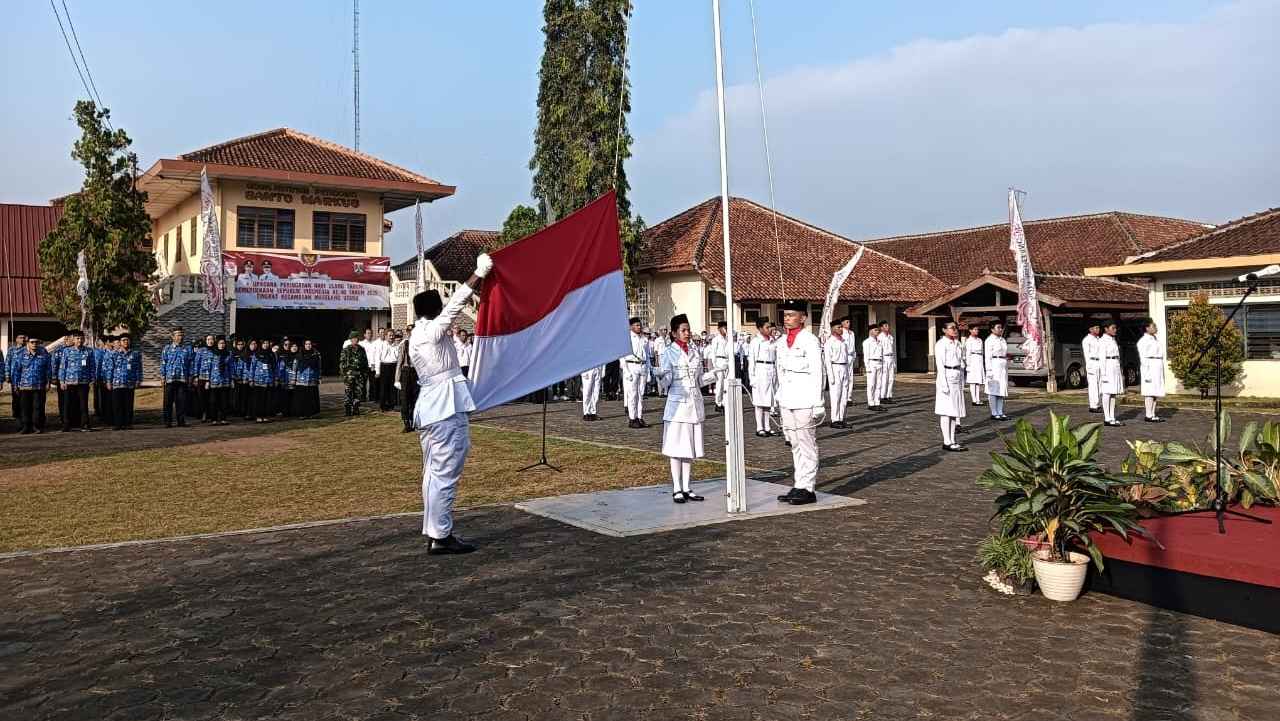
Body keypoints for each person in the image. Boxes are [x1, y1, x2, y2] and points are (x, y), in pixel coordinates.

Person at [409, 253, 492, 555]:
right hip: (444, 407)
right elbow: (454, 307)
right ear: (434, 311)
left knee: (433, 473)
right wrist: (477, 274)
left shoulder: (418, 334)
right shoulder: (430, 332)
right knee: (444, 473)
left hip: (435, 406)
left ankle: (435, 531)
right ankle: (441, 536)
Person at [654, 314, 720, 504]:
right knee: (676, 448)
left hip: (693, 404)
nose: (687, 333)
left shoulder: (695, 351)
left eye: (688, 329)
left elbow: (699, 381)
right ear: (674, 333)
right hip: (677, 405)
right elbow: (667, 383)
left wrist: (716, 374)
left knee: (689, 448)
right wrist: (661, 375)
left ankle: (687, 487)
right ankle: (676, 487)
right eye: (683, 330)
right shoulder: (669, 352)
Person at [775, 301, 825, 505]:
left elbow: (817, 371)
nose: (787, 318)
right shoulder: (781, 341)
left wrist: (818, 402)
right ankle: (799, 484)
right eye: (785, 315)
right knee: (794, 442)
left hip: (805, 397)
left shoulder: (810, 340)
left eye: (791, 315)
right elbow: (780, 371)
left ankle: (808, 487)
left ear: (803, 317)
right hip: (787, 397)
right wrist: (777, 398)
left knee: (806, 443)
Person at [57, 330, 95, 432]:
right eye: (77, 338)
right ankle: (66, 424)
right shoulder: (67, 351)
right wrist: (61, 381)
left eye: (82, 338)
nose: (80, 340)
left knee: (83, 404)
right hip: (69, 382)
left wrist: (92, 379)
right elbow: (62, 367)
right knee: (67, 404)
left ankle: (85, 424)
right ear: (73, 339)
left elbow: (92, 366)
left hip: (83, 382)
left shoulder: (89, 351)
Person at [747, 318, 778, 437]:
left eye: (770, 327)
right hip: (760, 370)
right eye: (767, 327)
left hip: (771, 370)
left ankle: (768, 426)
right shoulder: (756, 342)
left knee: (768, 401)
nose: (770, 329)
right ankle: (759, 427)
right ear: (760, 329)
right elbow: (752, 361)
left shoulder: (772, 341)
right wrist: (752, 378)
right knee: (759, 402)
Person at [14, 336, 51, 434]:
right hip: (24, 386)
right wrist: (15, 384)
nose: (34, 344)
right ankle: (26, 426)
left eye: (36, 342)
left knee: (37, 407)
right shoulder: (20, 354)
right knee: (25, 407)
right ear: (27, 343)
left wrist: (48, 382)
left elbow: (48, 369)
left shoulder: (43, 354)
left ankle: (36, 426)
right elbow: (17, 370)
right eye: (32, 342)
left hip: (39, 385)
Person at [620, 317, 650, 428]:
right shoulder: (627, 338)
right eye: (636, 325)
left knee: (641, 394)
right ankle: (632, 418)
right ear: (631, 326)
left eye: (639, 325)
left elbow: (646, 355)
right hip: (631, 365)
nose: (639, 327)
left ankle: (639, 417)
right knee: (632, 394)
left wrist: (648, 371)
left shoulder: (643, 338)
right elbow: (622, 356)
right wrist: (626, 370)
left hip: (642, 366)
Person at [108, 334, 142, 430]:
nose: (126, 342)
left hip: (129, 383)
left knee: (128, 405)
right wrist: (108, 381)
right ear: (120, 342)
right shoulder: (114, 354)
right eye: (123, 340)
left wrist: (138, 380)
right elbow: (110, 369)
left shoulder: (135, 354)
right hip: (117, 383)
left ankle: (128, 423)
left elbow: (138, 368)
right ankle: (118, 424)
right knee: (117, 405)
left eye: (127, 340)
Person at [160, 329, 193, 428]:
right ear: (173, 337)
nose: (180, 337)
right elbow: (163, 363)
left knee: (181, 401)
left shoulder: (187, 349)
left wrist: (191, 376)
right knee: (168, 402)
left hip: (182, 379)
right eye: (178, 335)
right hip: (170, 379)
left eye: (182, 335)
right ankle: (167, 422)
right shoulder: (167, 348)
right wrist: (162, 376)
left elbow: (191, 363)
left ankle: (181, 421)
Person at [1137, 318, 1166, 423]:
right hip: (1150, 366)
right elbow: (1143, 358)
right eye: (1153, 326)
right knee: (1149, 391)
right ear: (1147, 328)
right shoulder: (1143, 341)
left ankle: (1153, 413)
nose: (1155, 328)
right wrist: (1147, 373)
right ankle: (1148, 414)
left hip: (1157, 365)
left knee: (1155, 391)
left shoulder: (1155, 339)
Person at [823, 320, 851, 429]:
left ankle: (842, 418)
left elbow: (846, 357)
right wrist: (831, 376)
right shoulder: (829, 342)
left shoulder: (843, 341)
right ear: (833, 329)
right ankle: (834, 419)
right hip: (835, 367)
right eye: (839, 327)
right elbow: (827, 361)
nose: (841, 329)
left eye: (841, 327)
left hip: (844, 367)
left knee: (844, 395)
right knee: (836, 395)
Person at [1100, 321, 1125, 427]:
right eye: (1112, 328)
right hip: (1107, 365)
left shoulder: (1113, 340)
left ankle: (1112, 416)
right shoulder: (1103, 341)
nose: (1115, 330)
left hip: (1114, 365)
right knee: (1107, 392)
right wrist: (1103, 374)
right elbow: (1101, 358)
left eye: (1115, 328)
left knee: (1113, 393)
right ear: (1106, 329)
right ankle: (1107, 417)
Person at [204, 336, 234, 425]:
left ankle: (223, 419)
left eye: (223, 343)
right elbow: (208, 367)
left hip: (225, 380)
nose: (222, 345)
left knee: (224, 401)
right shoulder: (212, 353)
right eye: (220, 343)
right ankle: (214, 419)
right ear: (217, 344)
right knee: (213, 401)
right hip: (214, 380)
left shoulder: (228, 354)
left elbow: (231, 367)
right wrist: (207, 380)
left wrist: (231, 379)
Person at [984, 321, 1011, 421]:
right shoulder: (989, 340)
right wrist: (989, 370)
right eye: (998, 327)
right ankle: (994, 412)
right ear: (992, 329)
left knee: (1001, 389)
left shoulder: (1002, 340)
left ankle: (1000, 411)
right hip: (994, 364)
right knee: (993, 390)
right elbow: (987, 357)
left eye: (1001, 327)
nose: (1001, 329)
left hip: (1002, 365)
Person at [340, 331, 369, 416]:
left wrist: (365, 373)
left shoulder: (361, 349)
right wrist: (344, 374)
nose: (355, 340)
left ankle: (356, 408)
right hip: (349, 375)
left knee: (358, 392)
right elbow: (342, 362)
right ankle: (348, 409)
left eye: (356, 338)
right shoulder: (346, 349)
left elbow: (365, 362)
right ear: (350, 339)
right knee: (348, 392)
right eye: (353, 338)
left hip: (359, 374)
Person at [292, 339, 322, 419]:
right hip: (301, 380)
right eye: (306, 344)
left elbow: (319, 367)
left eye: (310, 344)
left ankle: (311, 413)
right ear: (304, 345)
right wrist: (293, 378)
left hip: (312, 379)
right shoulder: (299, 355)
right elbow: (294, 367)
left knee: (311, 397)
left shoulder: (316, 355)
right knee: (302, 398)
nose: (308, 346)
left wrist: (319, 377)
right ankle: (302, 414)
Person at [394, 332, 418, 432]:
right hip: (406, 371)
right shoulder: (404, 344)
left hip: (416, 372)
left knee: (415, 399)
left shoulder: (418, 344)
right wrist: (397, 379)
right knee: (405, 399)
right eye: (409, 332)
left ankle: (413, 421)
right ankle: (406, 422)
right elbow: (399, 362)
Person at [249, 339, 277, 423]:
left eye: (267, 343)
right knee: (258, 400)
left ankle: (265, 416)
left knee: (267, 400)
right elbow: (252, 367)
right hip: (258, 380)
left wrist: (275, 379)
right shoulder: (256, 354)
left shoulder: (272, 354)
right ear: (261, 344)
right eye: (264, 343)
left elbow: (275, 368)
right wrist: (251, 379)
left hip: (269, 380)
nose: (266, 344)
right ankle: (258, 416)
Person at [708, 321, 732, 412]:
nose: (725, 329)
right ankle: (718, 403)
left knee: (726, 384)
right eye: (723, 327)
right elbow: (713, 353)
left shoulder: (728, 339)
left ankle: (724, 403)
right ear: (719, 329)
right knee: (720, 384)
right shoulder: (716, 339)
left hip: (727, 361)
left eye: (726, 327)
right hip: (719, 361)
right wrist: (715, 366)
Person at [862, 325, 884, 412]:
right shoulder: (867, 342)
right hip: (871, 363)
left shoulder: (879, 341)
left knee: (878, 384)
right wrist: (867, 367)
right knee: (871, 385)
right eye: (875, 330)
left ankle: (877, 402)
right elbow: (866, 356)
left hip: (879, 362)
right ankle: (871, 403)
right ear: (870, 331)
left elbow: (881, 353)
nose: (877, 332)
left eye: (878, 330)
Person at [1083, 321, 1103, 414]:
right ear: (1090, 329)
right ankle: (1093, 405)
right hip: (1092, 362)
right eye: (1096, 328)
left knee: (1100, 385)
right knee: (1093, 385)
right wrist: (1089, 366)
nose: (1098, 329)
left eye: (1098, 328)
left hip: (1099, 362)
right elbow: (1087, 354)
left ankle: (1098, 404)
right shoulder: (1087, 340)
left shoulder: (1099, 339)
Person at [93, 336, 113, 426]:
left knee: (108, 397)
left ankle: (107, 414)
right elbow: (97, 366)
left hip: (108, 378)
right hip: (100, 378)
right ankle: (101, 414)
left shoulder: (111, 352)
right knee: (101, 397)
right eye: (110, 342)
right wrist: (96, 378)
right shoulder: (99, 352)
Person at [964, 325, 986, 406]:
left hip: (979, 359)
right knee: (973, 381)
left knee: (978, 381)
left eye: (977, 329)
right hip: (973, 360)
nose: (977, 331)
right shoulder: (969, 340)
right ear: (970, 330)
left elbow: (982, 352)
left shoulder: (980, 340)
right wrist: (968, 364)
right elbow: (968, 353)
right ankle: (974, 399)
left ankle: (978, 398)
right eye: (975, 329)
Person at [378, 332, 400, 411]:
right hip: (384, 366)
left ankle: (391, 405)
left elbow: (398, 357)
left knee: (392, 387)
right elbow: (378, 357)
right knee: (384, 387)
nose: (391, 337)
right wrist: (378, 371)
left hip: (393, 366)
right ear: (386, 336)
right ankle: (383, 405)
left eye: (392, 335)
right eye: (389, 335)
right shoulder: (382, 345)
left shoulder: (396, 346)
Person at [877, 320, 897, 403]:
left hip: (891, 357)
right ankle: (882, 396)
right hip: (884, 358)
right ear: (881, 328)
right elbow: (879, 350)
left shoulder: (890, 337)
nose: (887, 327)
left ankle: (889, 396)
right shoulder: (879, 337)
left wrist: (894, 361)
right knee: (884, 378)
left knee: (891, 378)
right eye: (885, 326)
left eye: (887, 325)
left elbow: (892, 349)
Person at [8, 333, 26, 422]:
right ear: (16, 340)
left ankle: (23, 414)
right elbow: (8, 362)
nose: (22, 339)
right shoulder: (11, 350)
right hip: (13, 377)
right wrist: (7, 375)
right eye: (20, 338)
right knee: (15, 397)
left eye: (23, 338)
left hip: (24, 377)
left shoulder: (26, 349)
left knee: (23, 397)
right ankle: (15, 414)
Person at [841, 317, 858, 402]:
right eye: (847, 322)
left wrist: (854, 355)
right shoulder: (841, 332)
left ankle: (849, 397)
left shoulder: (852, 333)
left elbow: (853, 345)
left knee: (850, 377)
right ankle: (844, 397)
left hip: (851, 356)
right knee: (845, 377)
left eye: (849, 322)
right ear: (843, 323)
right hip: (845, 356)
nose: (849, 323)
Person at [358, 329, 377, 403]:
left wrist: (374, 364)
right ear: (364, 335)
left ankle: (372, 397)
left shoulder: (374, 343)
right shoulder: (361, 343)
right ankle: (363, 397)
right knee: (363, 382)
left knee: (372, 383)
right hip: (364, 366)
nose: (370, 335)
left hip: (372, 365)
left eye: (371, 333)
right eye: (368, 333)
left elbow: (375, 355)